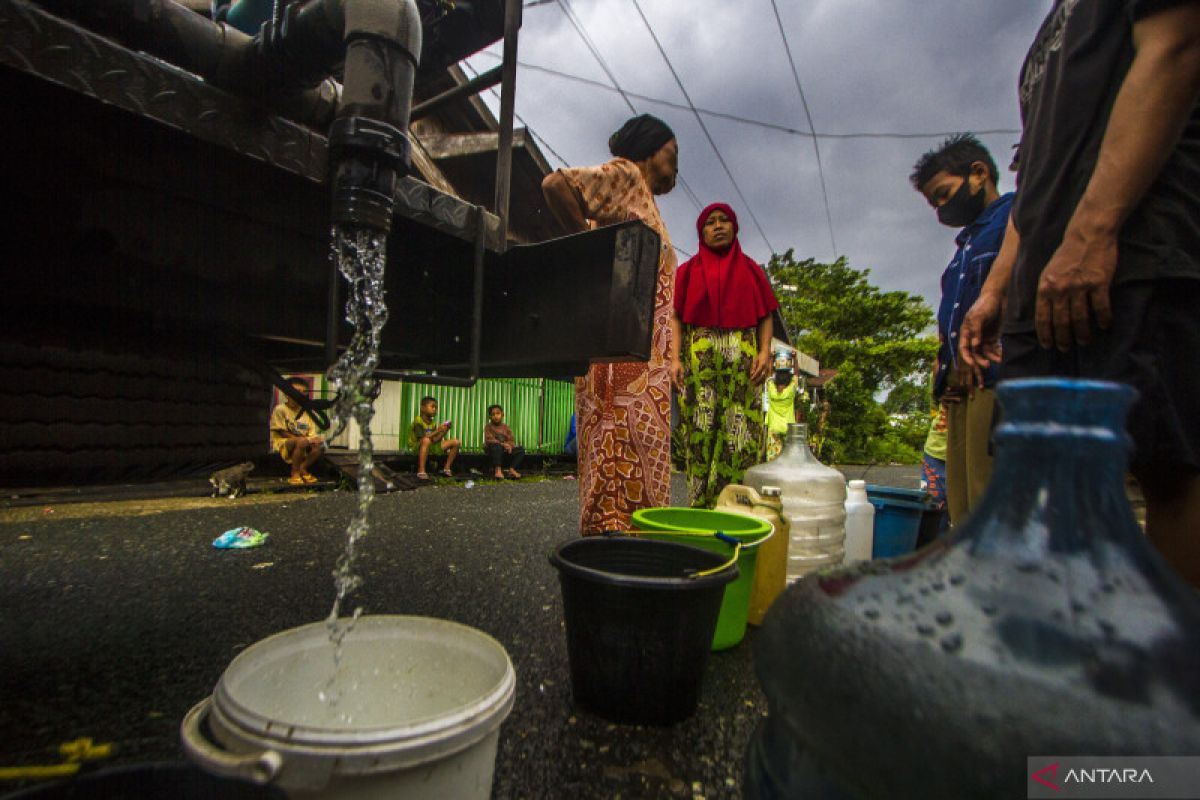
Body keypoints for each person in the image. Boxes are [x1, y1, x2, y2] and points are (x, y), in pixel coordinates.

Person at [959, 1, 1200, 587]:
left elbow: (1175, 47)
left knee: (1168, 468)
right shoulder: (1046, 39)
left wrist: (1095, 229)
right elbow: (1035, 174)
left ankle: (1166, 669)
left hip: (1131, 245)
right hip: (1041, 276)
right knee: (1042, 469)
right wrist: (996, 290)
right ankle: (1063, 650)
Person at [541, 113, 679, 533]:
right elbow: (557, 184)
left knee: (641, 464)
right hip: (622, 362)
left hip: (644, 361)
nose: (676, 161)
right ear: (650, 148)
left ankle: (632, 550)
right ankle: (614, 553)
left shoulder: (647, 201)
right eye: (672, 152)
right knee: (618, 460)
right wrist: (591, 246)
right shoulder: (628, 175)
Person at [910, 133, 1015, 526]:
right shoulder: (965, 247)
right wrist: (944, 372)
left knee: (991, 498)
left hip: (994, 374)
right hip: (960, 388)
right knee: (963, 500)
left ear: (978, 173)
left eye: (943, 194)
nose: (940, 208)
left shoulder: (1015, 220)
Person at [670, 202, 778, 508]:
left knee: (739, 430)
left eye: (724, 220)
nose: (718, 226)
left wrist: (764, 351)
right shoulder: (687, 271)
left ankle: (733, 506)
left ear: (734, 227)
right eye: (710, 222)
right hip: (700, 366)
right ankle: (700, 505)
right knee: (701, 428)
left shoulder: (751, 270)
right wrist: (675, 358)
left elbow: (766, 314)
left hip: (743, 367)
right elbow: (676, 316)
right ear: (701, 232)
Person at [269, 376, 324, 485]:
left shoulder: (308, 411)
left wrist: (314, 439)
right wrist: (302, 440)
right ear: (287, 394)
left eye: (303, 392)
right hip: (283, 442)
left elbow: (311, 432)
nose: (300, 395)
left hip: (303, 441)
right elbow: (281, 431)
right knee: (302, 442)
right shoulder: (280, 409)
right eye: (297, 391)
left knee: (320, 446)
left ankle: (302, 468)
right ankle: (294, 472)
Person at [410, 396, 460, 481]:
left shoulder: (432, 423)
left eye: (436, 408)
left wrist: (445, 430)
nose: (434, 409)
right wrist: (437, 430)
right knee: (426, 440)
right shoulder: (418, 421)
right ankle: (421, 470)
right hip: (417, 446)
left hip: (430, 445)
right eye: (432, 406)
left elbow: (435, 439)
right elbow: (422, 438)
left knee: (456, 442)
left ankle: (446, 468)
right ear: (423, 408)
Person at [765, 351, 804, 461]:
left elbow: (768, 373)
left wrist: (771, 358)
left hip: (774, 429)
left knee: (773, 459)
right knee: (787, 459)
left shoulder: (771, 390)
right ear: (788, 380)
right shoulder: (791, 390)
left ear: (776, 380)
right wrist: (795, 358)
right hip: (788, 428)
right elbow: (796, 374)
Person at [484, 404, 524, 480]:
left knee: (521, 450)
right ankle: (498, 470)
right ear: (490, 417)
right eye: (493, 414)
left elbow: (511, 440)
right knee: (496, 445)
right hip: (493, 453)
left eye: (498, 413)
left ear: (502, 415)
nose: (496, 416)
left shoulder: (506, 427)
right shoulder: (488, 427)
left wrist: (509, 445)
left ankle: (511, 469)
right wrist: (503, 444)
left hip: (505, 452)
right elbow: (489, 440)